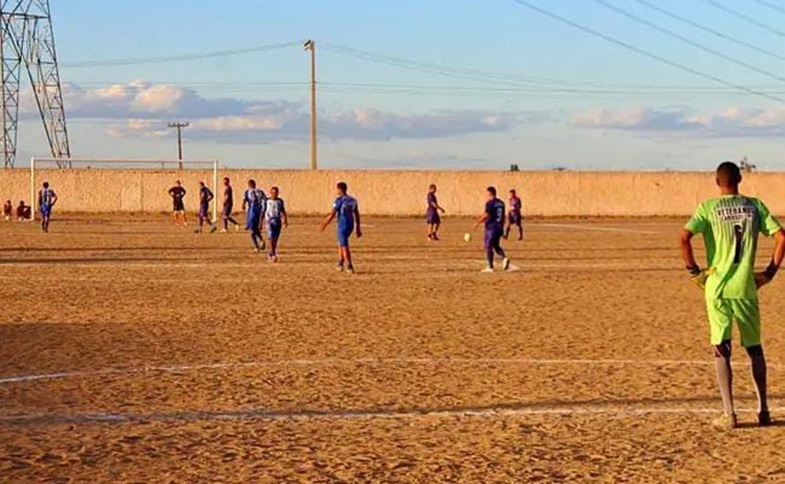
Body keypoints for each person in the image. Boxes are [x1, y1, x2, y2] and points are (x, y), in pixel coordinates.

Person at [680, 161, 785, 430]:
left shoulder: (708, 208)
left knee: (721, 349)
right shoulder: (755, 206)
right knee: (754, 348)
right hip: (746, 287)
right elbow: (781, 237)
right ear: (740, 179)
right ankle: (763, 411)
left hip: (717, 287)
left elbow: (683, 239)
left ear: (717, 182)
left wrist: (694, 272)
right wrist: (769, 272)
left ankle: (729, 414)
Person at [320, 181, 362, 274]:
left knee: (344, 246)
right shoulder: (352, 200)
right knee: (341, 243)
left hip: (342, 225)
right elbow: (357, 214)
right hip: (350, 225)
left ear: (339, 189)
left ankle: (350, 265)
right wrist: (358, 228)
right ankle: (340, 262)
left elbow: (332, 214)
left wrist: (324, 224)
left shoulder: (339, 200)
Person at [473, 186, 510, 273]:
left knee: (488, 246)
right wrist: (502, 227)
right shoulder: (501, 203)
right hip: (499, 227)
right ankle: (504, 258)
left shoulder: (490, 203)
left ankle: (490, 267)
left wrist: (477, 222)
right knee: (496, 245)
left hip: (491, 228)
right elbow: (503, 217)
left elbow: (486, 214)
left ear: (490, 193)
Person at [262, 186, 288, 262]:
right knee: (271, 238)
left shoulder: (280, 201)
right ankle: (272, 254)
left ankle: (272, 252)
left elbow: (283, 211)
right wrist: (260, 222)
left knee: (275, 239)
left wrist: (285, 220)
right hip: (269, 221)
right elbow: (263, 212)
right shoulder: (267, 201)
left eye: (276, 193)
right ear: (270, 193)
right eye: (273, 193)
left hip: (277, 221)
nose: (274, 194)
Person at [242, 179, 266, 252]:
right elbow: (265, 200)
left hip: (252, 211)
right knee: (256, 229)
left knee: (252, 231)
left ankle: (256, 246)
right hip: (260, 211)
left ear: (249, 185)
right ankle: (261, 240)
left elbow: (244, 200)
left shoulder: (248, 192)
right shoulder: (260, 192)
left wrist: (243, 205)